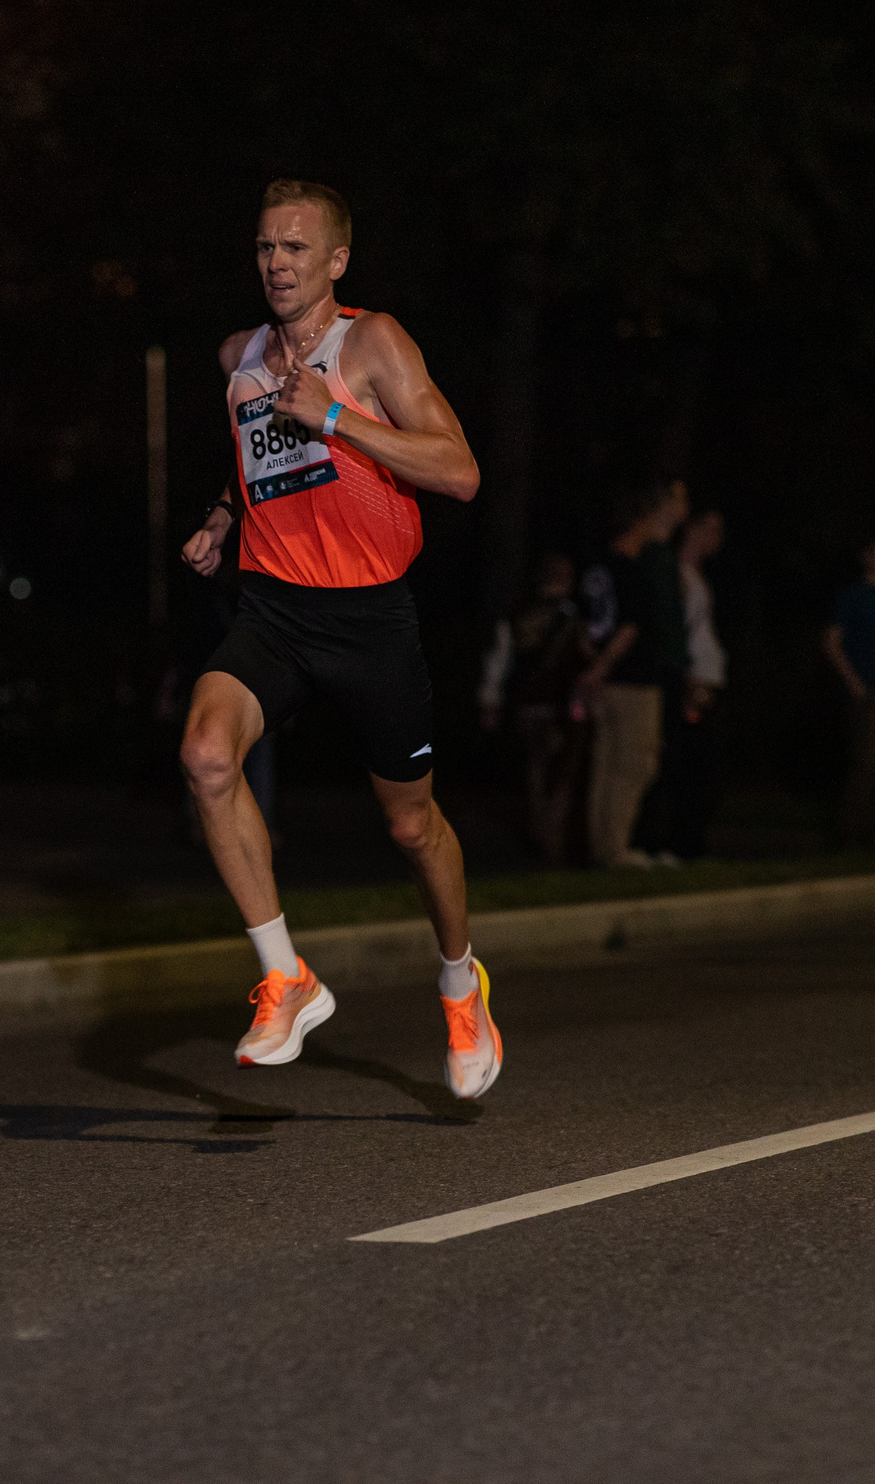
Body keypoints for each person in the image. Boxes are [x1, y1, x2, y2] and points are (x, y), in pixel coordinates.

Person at [177, 179, 503, 1100]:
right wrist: (222, 514)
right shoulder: (240, 358)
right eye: (264, 248)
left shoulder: (372, 343)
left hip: (370, 618)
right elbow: (261, 460)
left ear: (336, 261)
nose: (277, 263)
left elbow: (462, 472)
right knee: (206, 754)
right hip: (276, 609)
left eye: (295, 249)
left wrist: (334, 413)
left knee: (411, 825)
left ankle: (458, 979)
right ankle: (287, 976)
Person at [575, 481, 688, 869]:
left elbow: (585, 623)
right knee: (635, 765)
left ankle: (600, 846)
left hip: (602, 681)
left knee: (605, 763)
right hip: (632, 680)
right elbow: (629, 628)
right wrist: (604, 666)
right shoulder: (631, 569)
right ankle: (615, 850)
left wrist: (592, 668)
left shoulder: (596, 567)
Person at [479, 554, 588, 864]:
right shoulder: (524, 612)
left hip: (563, 703)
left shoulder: (574, 613)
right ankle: (546, 840)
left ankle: (548, 839)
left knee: (555, 772)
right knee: (547, 771)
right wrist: (491, 699)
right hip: (539, 703)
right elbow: (500, 657)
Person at [639, 506, 727, 863]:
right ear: (693, 529)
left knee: (699, 767)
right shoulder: (677, 572)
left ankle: (686, 843)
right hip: (692, 682)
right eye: (712, 528)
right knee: (682, 765)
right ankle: (671, 844)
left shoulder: (696, 574)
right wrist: (690, 682)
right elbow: (677, 633)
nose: (717, 538)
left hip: (706, 678)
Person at [824, 528, 875, 847]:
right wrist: (854, 683)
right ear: (867, 556)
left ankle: (867, 829)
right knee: (866, 762)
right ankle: (848, 833)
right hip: (865, 691)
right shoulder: (853, 595)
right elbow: (831, 642)